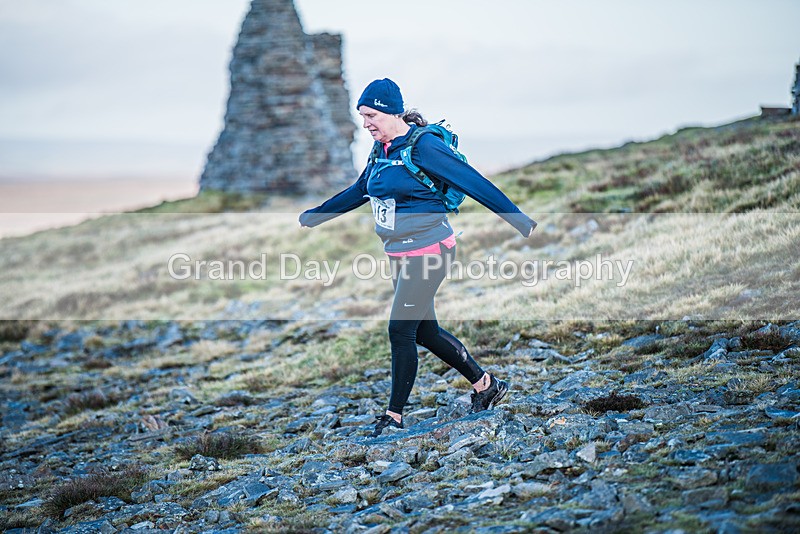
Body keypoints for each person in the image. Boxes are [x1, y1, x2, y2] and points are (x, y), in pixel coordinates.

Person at [299, 78, 536, 438]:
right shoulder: (382, 150)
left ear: (392, 111)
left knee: (400, 328)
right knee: (425, 331)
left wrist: (517, 218)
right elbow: (362, 190)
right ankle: (486, 385)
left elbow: (472, 181)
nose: (366, 124)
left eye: (371, 115)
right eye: (362, 117)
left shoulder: (423, 146)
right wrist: (319, 214)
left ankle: (393, 416)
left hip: (429, 250)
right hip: (399, 253)